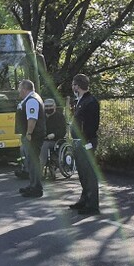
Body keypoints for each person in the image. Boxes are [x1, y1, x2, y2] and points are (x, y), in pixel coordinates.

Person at [69, 74, 100, 214]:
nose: (72, 87)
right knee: (82, 173)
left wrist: (85, 141)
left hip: (86, 142)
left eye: (74, 84)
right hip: (79, 142)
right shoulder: (80, 100)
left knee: (89, 173)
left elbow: (92, 125)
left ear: (78, 86)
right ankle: (84, 200)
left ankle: (92, 205)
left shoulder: (90, 101)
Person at [15, 79, 46, 197]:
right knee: (31, 161)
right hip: (33, 135)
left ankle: (36, 188)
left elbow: (32, 119)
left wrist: (28, 133)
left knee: (33, 162)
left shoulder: (32, 100)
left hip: (33, 136)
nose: (18, 91)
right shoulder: (31, 98)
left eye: (19, 88)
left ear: (24, 89)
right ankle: (32, 184)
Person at [40, 98, 68, 176]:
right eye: (46, 106)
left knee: (44, 145)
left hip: (56, 140)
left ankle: (40, 169)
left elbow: (63, 131)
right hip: (43, 139)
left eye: (50, 106)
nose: (48, 108)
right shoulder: (41, 117)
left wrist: (54, 134)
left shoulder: (60, 116)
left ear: (54, 106)